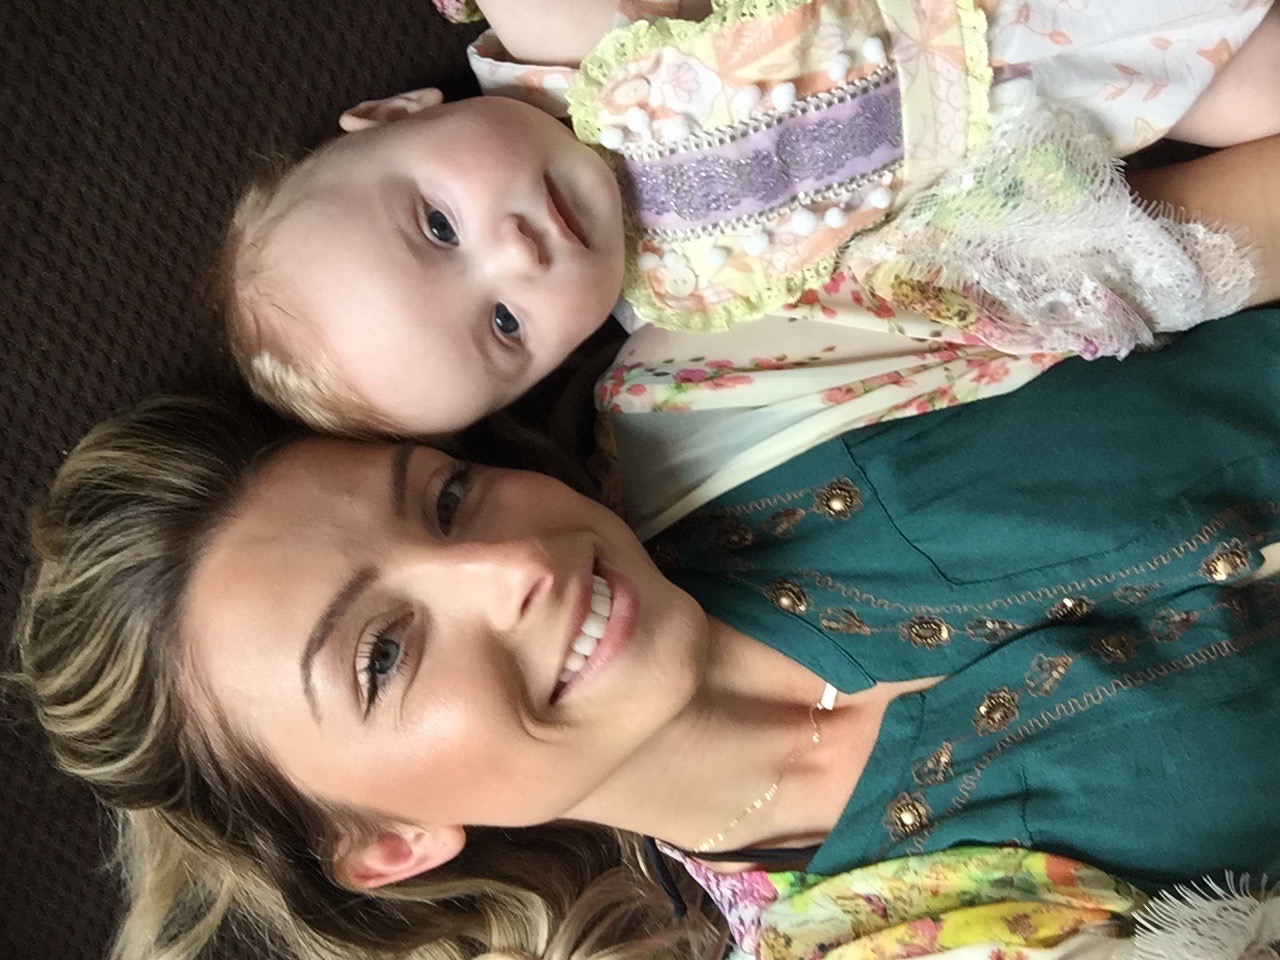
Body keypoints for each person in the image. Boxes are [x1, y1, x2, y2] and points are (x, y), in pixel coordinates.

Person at [16, 307, 1280, 960]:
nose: (514, 566)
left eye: (444, 500)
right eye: (381, 655)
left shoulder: (711, 386)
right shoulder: (867, 933)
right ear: (389, 842)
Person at [219, 0, 1280, 437]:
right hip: (1077, 100)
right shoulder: (685, 308)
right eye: (505, 326)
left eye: (439, 226)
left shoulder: (568, 46)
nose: (517, 253)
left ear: (399, 114)